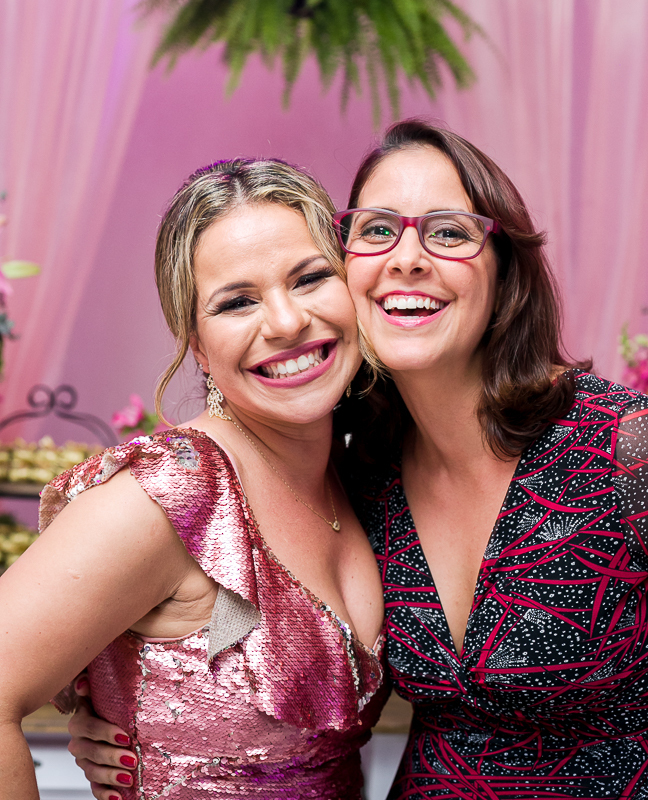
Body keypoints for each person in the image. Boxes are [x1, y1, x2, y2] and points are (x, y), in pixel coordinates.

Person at [74, 120, 648, 800]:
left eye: (449, 232)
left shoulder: (621, 445)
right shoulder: (363, 470)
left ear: (505, 269)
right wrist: (141, 720)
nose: (407, 258)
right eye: (378, 230)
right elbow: (233, 636)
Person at [0, 158, 388, 800]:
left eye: (311, 278)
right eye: (237, 302)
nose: (286, 322)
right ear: (198, 345)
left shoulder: (359, 472)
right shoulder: (168, 493)